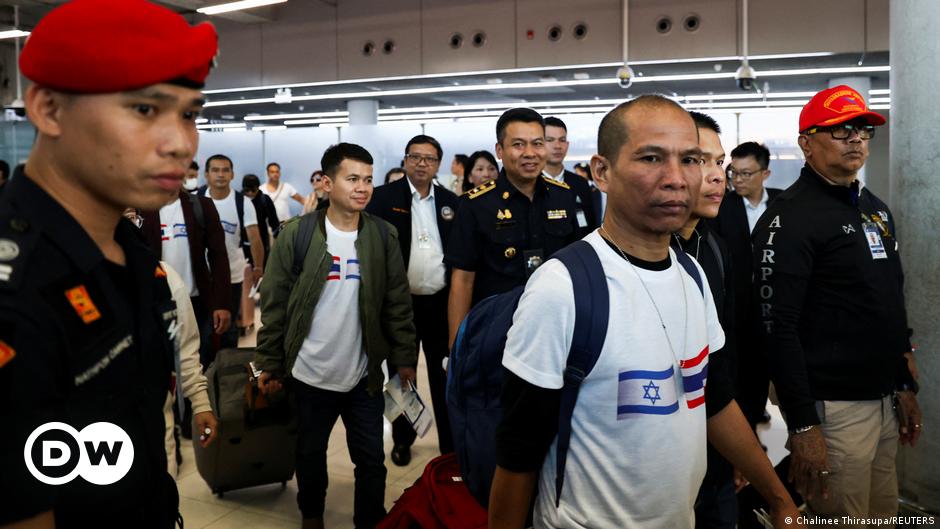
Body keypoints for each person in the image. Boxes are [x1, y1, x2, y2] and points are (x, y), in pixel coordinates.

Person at [488, 95, 799, 529]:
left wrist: (780, 499)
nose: (676, 179)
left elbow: (712, 396)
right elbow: (518, 452)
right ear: (602, 172)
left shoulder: (691, 274)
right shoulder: (563, 287)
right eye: (651, 158)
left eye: (689, 160)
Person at [0, 0, 218, 526]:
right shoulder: (17, 292)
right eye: (144, 109)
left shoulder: (129, 252)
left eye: (189, 114)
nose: (181, 144)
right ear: (49, 110)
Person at [753, 85, 922, 526]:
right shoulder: (790, 218)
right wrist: (803, 425)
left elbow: (889, 300)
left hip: (883, 398)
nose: (856, 139)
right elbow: (776, 329)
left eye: (863, 130)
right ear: (806, 144)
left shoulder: (872, 208)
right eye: (841, 130)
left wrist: (903, 383)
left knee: (882, 514)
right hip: (834, 409)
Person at [253, 143, 417, 529]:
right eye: (352, 179)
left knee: (371, 459)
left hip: (363, 375)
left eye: (368, 180)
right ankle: (312, 515)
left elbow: (397, 301)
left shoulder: (382, 235)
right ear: (327, 184)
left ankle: (370, 520)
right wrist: (270, 361)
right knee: (310, 454)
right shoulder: (297, 235)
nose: (363, 188)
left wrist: (405, 357)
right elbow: (275, 305)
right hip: (309, 374)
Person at [445, 108, 580, 347]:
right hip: (496, 330)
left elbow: (576, 266)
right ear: (500, 150)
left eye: (537, 143)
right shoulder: (476, 204)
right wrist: (457, 347)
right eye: (518, 144)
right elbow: (463, 280)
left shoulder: (563, 197)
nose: (530, 153)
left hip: (554, 327)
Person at [367, 135, 460, 463]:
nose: (422, 163)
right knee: (401, 373)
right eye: (415, 157)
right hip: (399, 305)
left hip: (440, 303)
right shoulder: (383, 198)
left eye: (429, 158)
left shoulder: (451, 202)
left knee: (444, 372)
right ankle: (402, 439)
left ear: (438, 164)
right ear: (405, 160)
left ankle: (450, 444)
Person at [673, 112, 741, 529]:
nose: (717, 176)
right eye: (699, 161)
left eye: (720, 162)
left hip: (714, 451)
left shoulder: (714, 249)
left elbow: (726, 357)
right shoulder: (635, 259)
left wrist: (739, 448)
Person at [710, 142, 782, 429]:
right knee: (739, 371)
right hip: (736, 305)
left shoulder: (782, 204)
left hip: (774, 304)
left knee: (766, 368)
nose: (737, 180)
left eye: (746, 174)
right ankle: (745, 432)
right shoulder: (722, 207)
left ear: (765, 174)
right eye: (734, 173)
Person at [140, 187, 232, 371]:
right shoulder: (141, 207)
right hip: (156, 303)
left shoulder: (201, 206)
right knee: (160, 365)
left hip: (196, 302)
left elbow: (219, 256)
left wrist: (221, 303)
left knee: (200, 362)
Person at [200, 154, 264, 349]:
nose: (221, 175)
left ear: (232, 174)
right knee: (203, 328)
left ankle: (229, 365)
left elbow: (255, 238)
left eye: (225, 170)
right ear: (206, 174)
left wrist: (258, 267)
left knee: (228, 328)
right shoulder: (196, 200)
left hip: (232, 276)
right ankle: (205, 366)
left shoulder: (242, 202)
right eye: (215, 170)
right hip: (201, 276)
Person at [543, 116, 598, 235]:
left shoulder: (580, 183)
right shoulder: (530, 184)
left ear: (567, 144)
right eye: (550, 140)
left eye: (562, 140)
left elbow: (590, 226)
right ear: (539, 144)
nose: (557, 146)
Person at [242, 173, 280, 260]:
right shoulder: (238, 199)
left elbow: (274, 222)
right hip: (241, 242)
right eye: (247, 190)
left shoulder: (265, 200)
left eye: (253, 190)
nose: (250, 193)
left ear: (258, 187)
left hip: (261, 240)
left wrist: (279, 239)